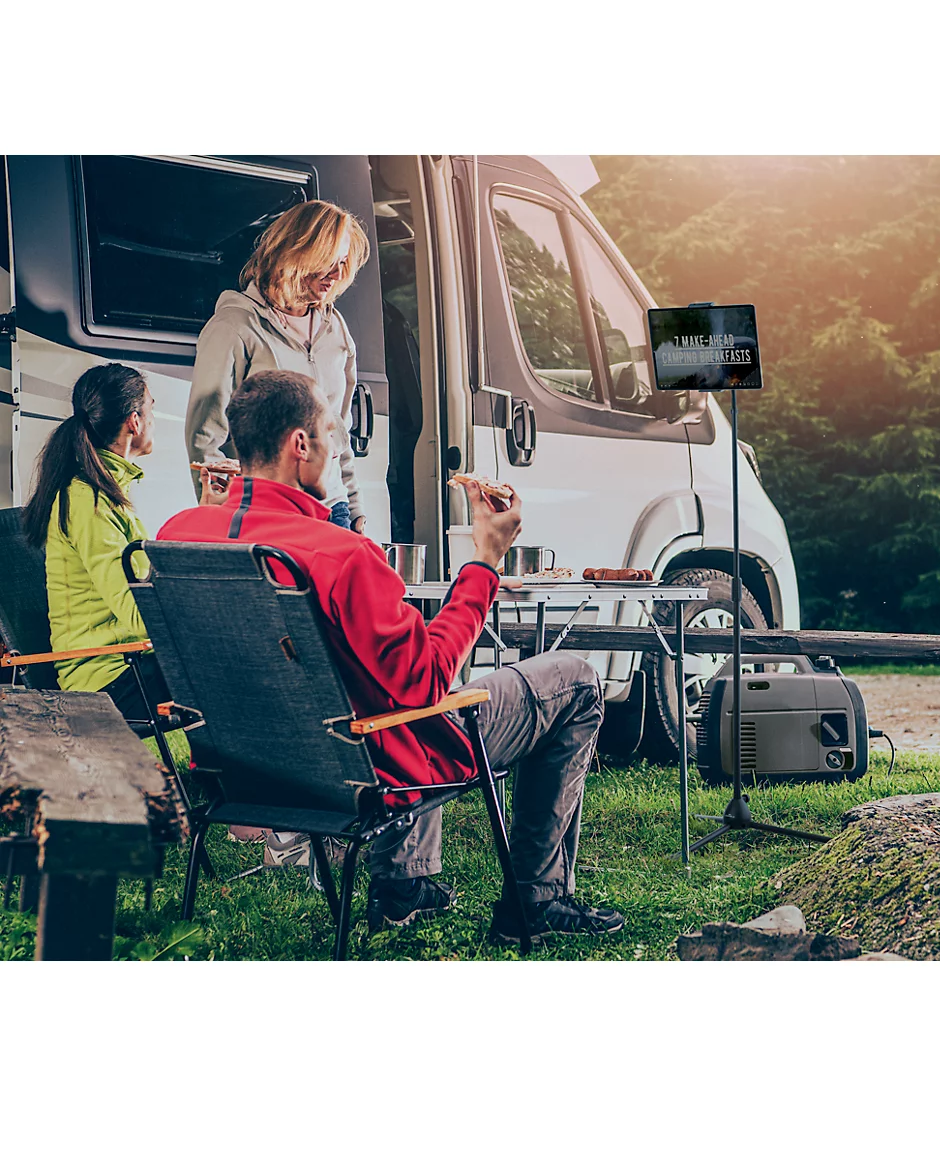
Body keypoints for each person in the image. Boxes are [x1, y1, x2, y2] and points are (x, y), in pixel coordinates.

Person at [159, 369, 624, 941]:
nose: (334, 451)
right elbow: (426, 685)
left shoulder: (178, 535)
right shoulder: (341, 555)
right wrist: (484, 563)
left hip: (247, 773)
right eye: (329, 434)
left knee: (380, 678)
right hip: (369, 771)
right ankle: (539, 899)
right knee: (574, 679)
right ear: (299, 445)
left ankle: (407, 884)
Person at [23, 362, 219, 721]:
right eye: (152, 409)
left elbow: (142, 584)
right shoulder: (89, 502)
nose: (154, 419)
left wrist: (205, 517)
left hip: (128, 663)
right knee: (231, 665)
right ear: (135, 421)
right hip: (108, 680)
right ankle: (216, 773)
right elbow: (140, 614)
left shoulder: (103, 492)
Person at [185, 199, 371, 534]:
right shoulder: (234, 326)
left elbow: (337, 429)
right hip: (267, 510)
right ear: (297, 252)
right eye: (329, 261)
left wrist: (354, 507)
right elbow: (204, 436)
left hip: (333, 509)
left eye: (344, 263)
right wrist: (219, 519)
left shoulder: (335, 328)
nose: (338, 275)